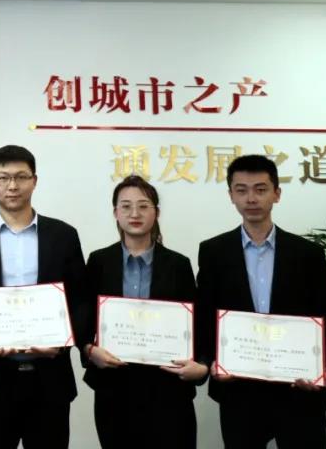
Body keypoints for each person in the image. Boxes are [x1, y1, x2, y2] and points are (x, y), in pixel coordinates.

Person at [196, 154, 326, 449]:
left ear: (277, 193)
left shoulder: (307, 253)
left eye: (260, 189)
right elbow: (205, 314)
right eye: (242, 190)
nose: (251, 198)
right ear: (231, 195)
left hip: (298, 390)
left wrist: (321, 365)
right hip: (239, 391)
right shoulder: (213, 252)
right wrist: (211, 361)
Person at [0, 144, 87, 449]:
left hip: (50, 378)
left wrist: (62, 342)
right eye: (3, 178)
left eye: (21, 177)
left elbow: (81, 299)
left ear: (34, 180)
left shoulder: (63, 235)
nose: (12, 186)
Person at [83, 175, 206, 449]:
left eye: (143, 206)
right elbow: (84, 318)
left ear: (156, 212)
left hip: (168, 391)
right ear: (115, 213)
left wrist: (201, 365)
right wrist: (89, 350)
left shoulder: (178, 264)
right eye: (126, 206)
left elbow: (196, 323)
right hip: (114, 390)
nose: (135, 214)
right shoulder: (99, 261)